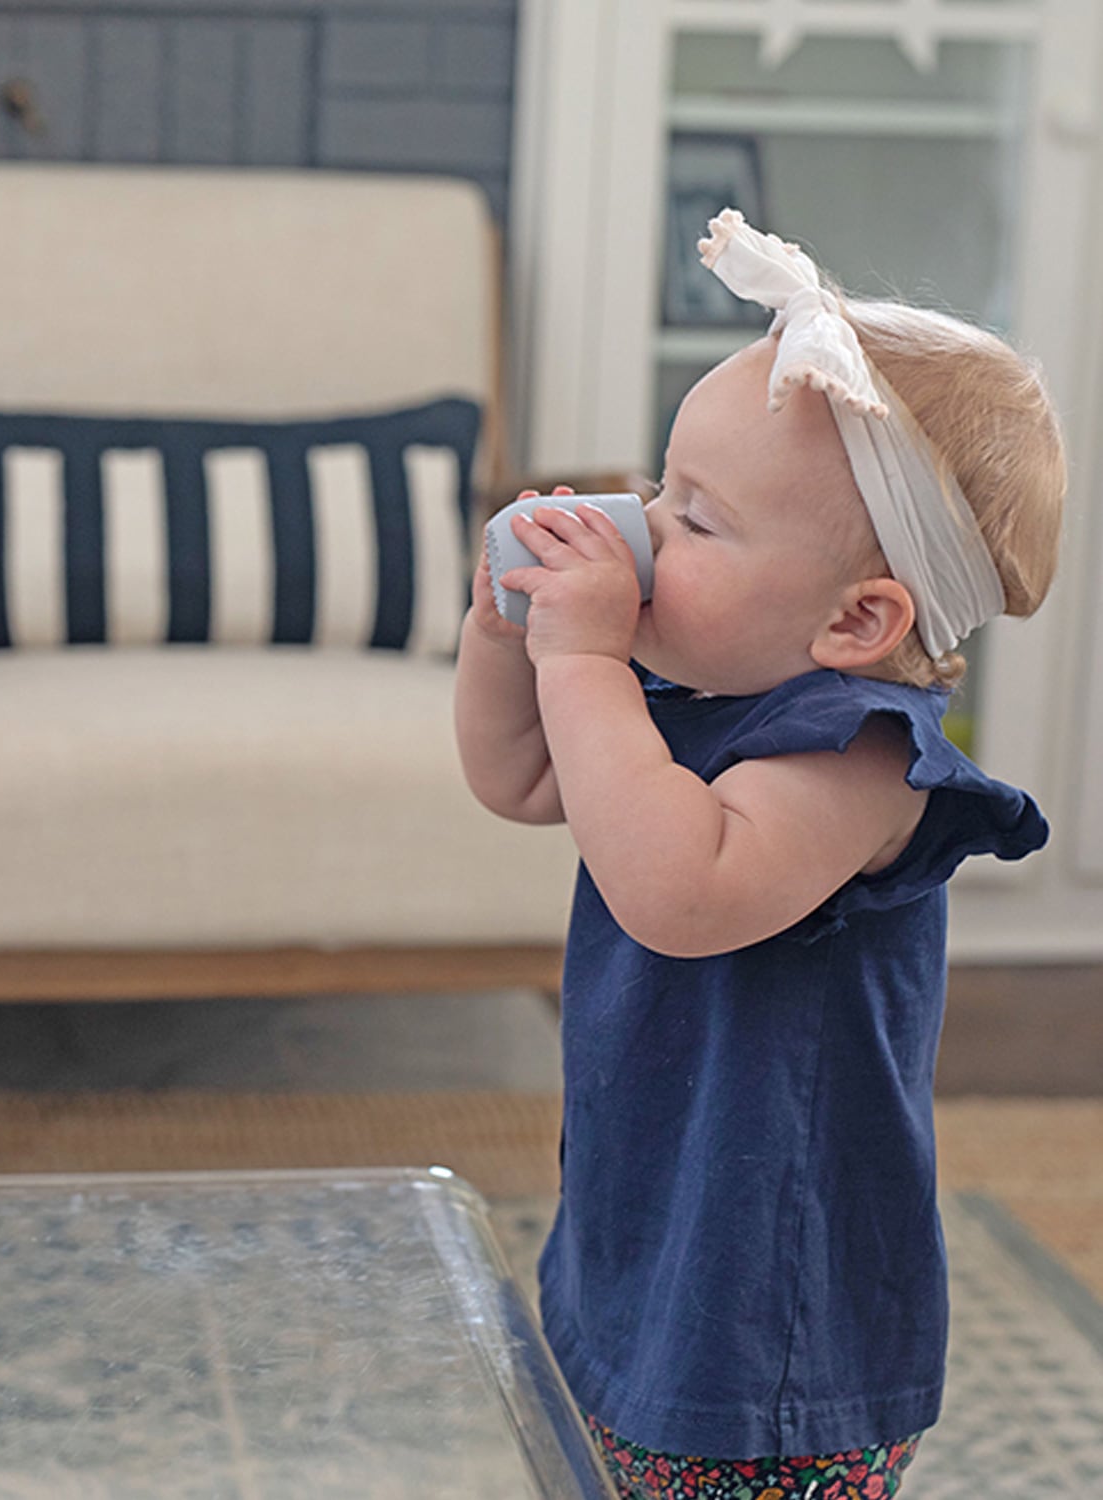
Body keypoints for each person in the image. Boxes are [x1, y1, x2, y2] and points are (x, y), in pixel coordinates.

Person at [454, 210, 1066, 1500]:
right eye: (662, 493)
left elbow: (683, 893)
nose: (650, 534)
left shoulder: (858, 759)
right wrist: (507, 637)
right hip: (653, 1227)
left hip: (772, 1320)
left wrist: (582, 658)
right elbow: (519, 780)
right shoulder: (705, 692)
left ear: (857, 621)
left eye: (700, 523)